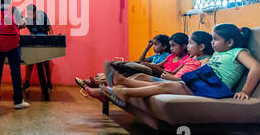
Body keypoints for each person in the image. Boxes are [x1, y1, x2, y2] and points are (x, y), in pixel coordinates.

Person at [83, 24, 259, 107]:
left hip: (215, 88)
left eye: (216, 39)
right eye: (211, 39)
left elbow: (256, 68)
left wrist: (245, 91)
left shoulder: (239, 52)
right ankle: (122, 84)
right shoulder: (220, 52)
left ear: (229, 42)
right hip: (203, 82)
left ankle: (124, 91)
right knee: (164, 83)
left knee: (168, 85)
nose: (212, 42)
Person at [0, 0, 30, 109]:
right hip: (13, 45)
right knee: (15, 73)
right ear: (10, 1)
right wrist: (20, 26)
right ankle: (18, 101)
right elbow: (23, 23)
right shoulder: (15, 9)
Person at [132, 31, 214, 82]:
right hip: (172, 79)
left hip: (179, 82)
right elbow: (175, 73)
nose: (188, 46)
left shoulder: (206, 60)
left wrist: (173, 78)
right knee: (140, 77)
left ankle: (124, 87)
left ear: (201, 47)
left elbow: (199, 80)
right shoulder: (191, 58)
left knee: (155, 82)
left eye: (191, 43)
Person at [22, 4, 53, 101]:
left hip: (43, 41)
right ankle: (27, 83)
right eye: (28, 14)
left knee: (46, 63)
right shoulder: (27, 19)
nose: (30, 16)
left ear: (35, 12)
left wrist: (51, 42)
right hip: (32, 41)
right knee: (30, 62)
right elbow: (19, 27)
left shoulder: (43, 15)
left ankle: (48, 82)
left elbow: (50, 29)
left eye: (31, 14)